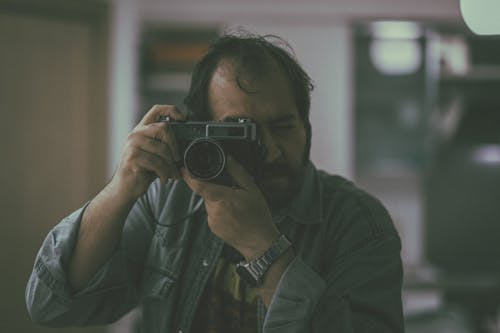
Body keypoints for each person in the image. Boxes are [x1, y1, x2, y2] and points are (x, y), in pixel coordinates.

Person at [26, 32, 404, 332]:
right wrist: (122, 187)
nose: (268, 150)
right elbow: (49, 304)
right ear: (204, 132)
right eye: (242, 132)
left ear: (306, 128)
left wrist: (264, 248)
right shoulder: (167, 199)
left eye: (282, 127)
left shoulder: (358, 222)